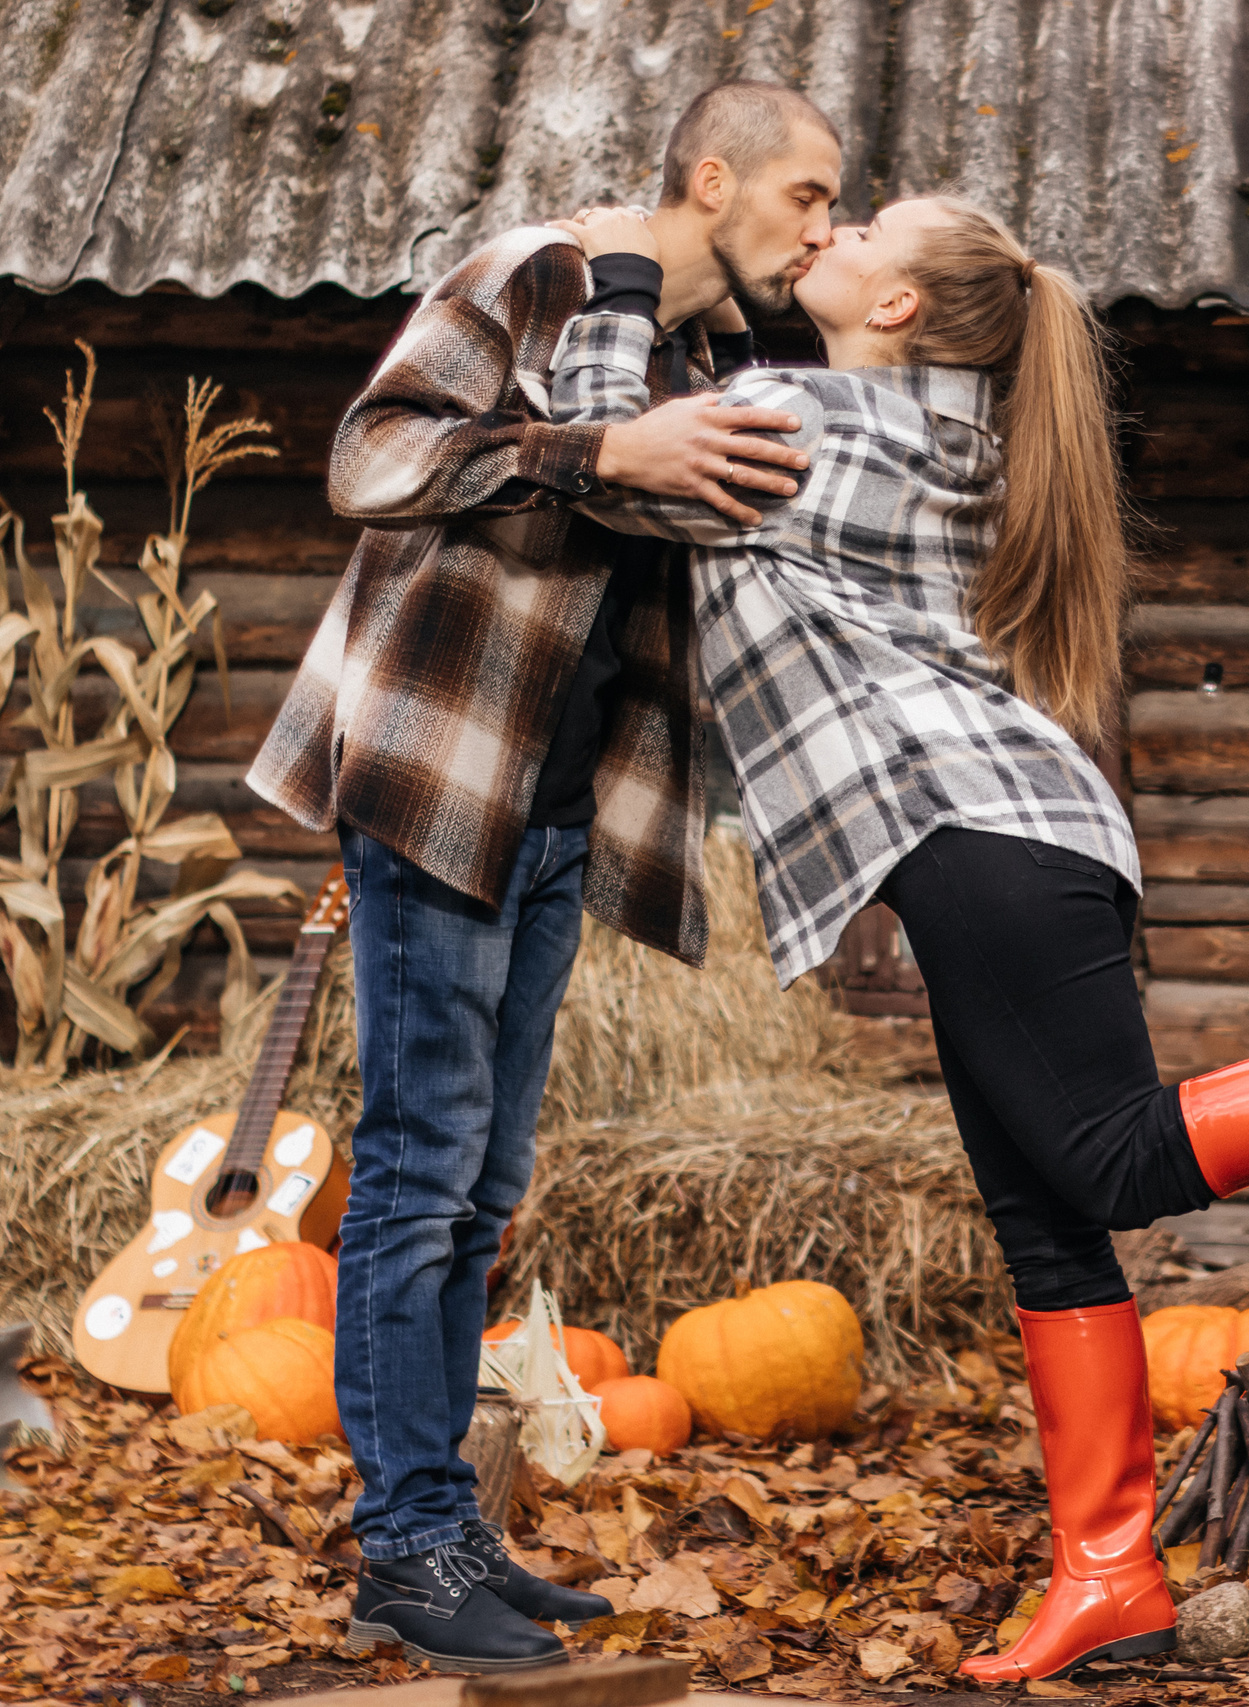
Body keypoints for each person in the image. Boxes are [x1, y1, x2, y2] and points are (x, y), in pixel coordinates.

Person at [548, 196, 1249, 1682]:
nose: (829, 230)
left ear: (900, 309)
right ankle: (1109, 1575)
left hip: (989, 848)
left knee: (1111, 1163)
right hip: (1013, 845)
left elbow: (608, 470)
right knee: (1052, 1228)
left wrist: (620, 285)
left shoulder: (803, 421)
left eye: (861, 231)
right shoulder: (940, 425)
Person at [245, 82, 844, 1673]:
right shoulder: (538, 271)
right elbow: (371, 462)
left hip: (559, 811)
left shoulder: (710, 361)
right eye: (806, 193)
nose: (824, 227)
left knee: (487, 1186)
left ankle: (445, 1530)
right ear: (711, 178)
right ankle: (405, 1549)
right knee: (421, 1166)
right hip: (441, 786)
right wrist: (598, 443)